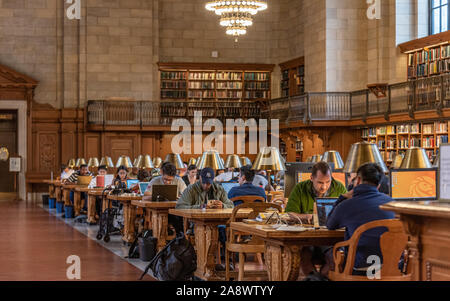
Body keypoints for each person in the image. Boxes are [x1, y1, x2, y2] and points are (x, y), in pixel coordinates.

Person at [326, 163, 396, 276]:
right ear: (378, 185)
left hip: (359, 268)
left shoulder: (347, 205)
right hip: (391, 266)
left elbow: (330, 225)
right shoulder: (392, 203)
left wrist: (342, 197)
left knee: (330, 255)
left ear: (358, 180)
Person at [285, 161, 347, 276]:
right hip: (307, 239)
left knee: (335, 257)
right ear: (311, 178)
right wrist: (306, 217)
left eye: (328, 182)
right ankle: (313, 278)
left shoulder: (339, 187)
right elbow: (289, 213)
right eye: (320, 182)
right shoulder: (300, 188)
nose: (324, 186)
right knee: (304, 255)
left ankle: (318, 278)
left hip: (330, 238)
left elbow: (346, 212)